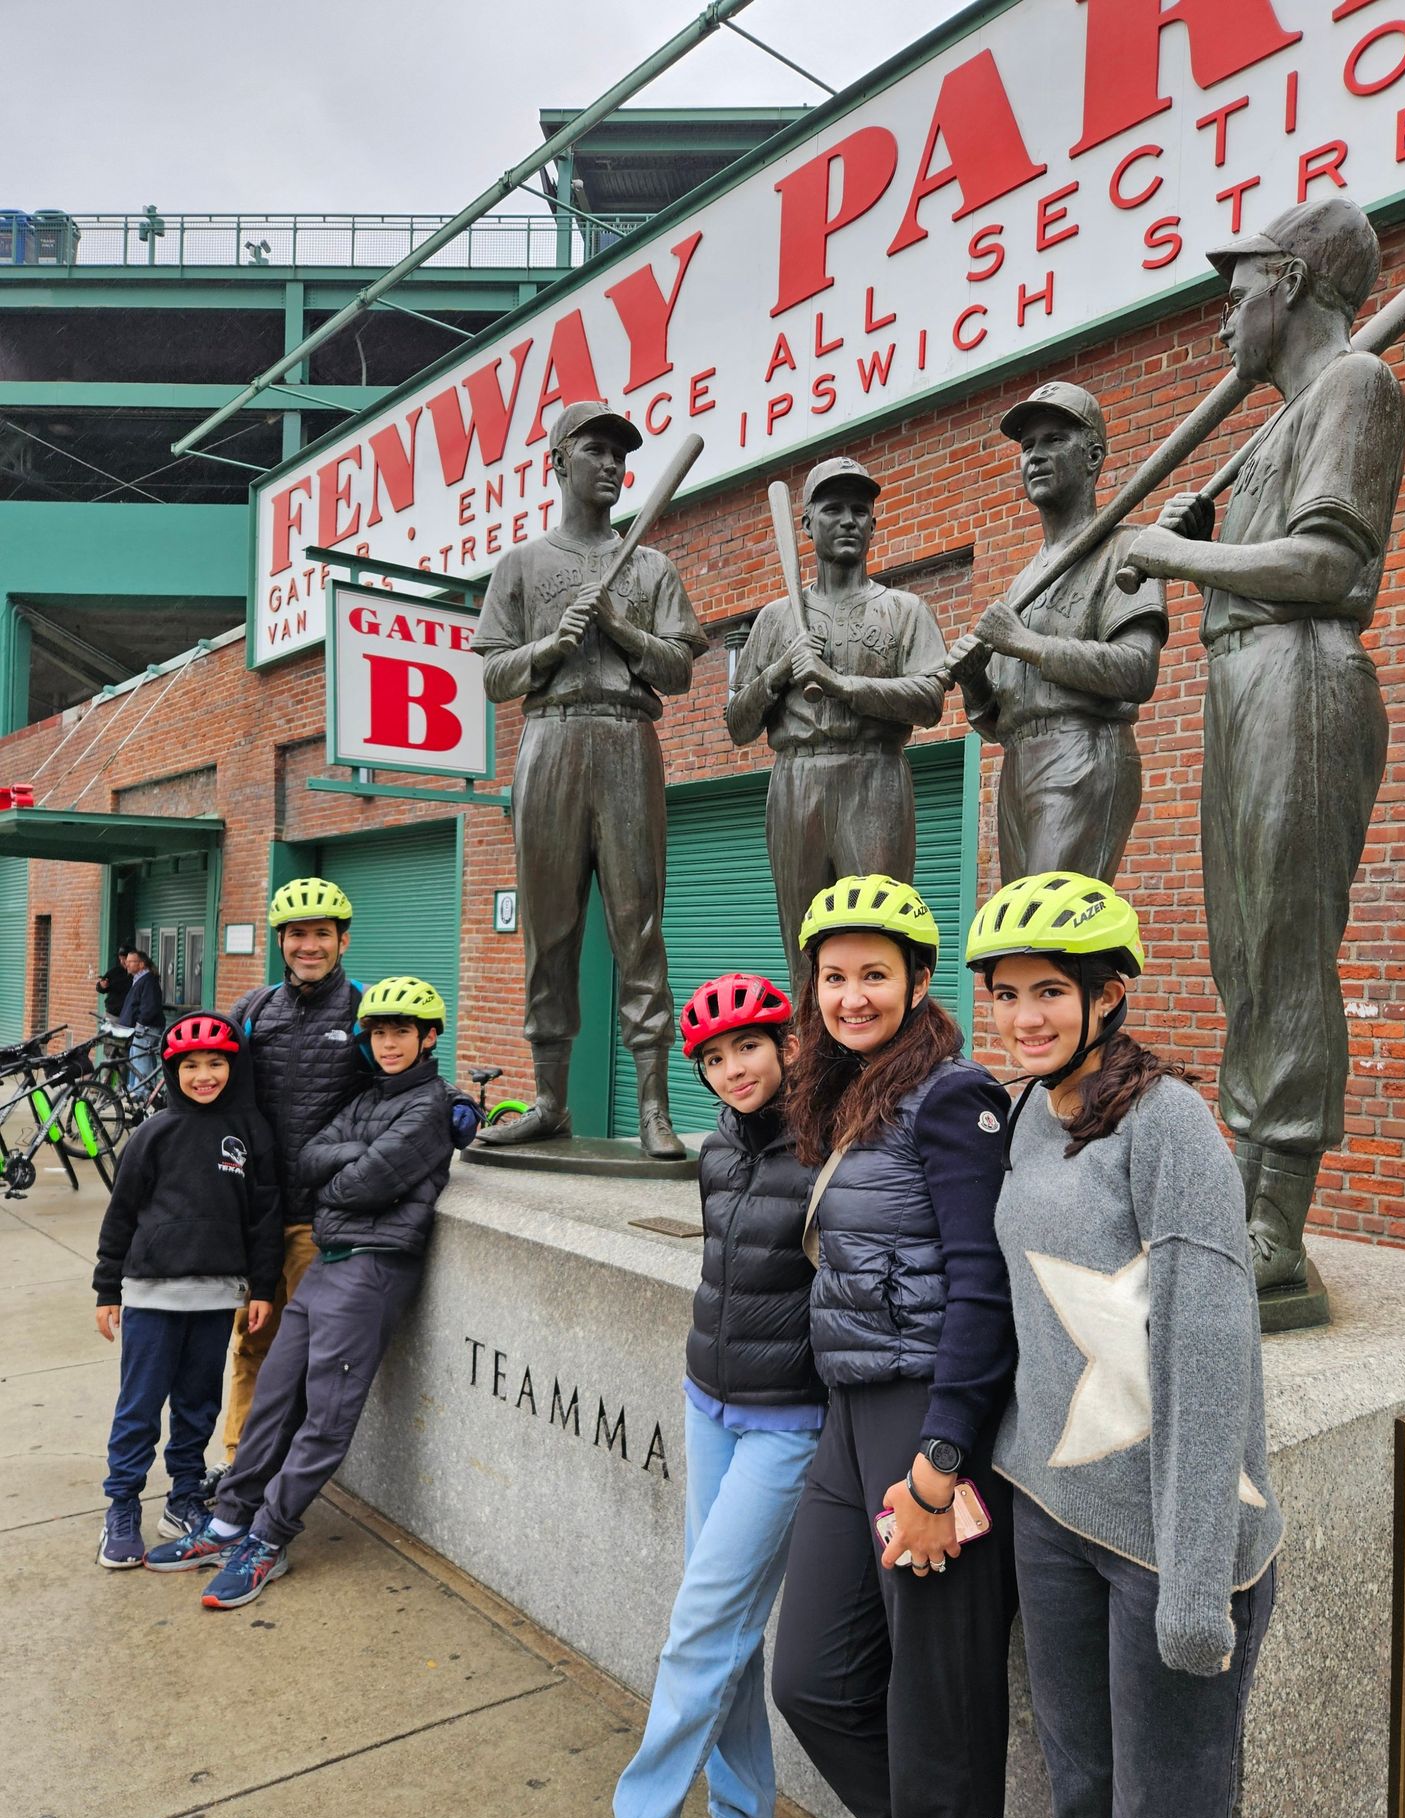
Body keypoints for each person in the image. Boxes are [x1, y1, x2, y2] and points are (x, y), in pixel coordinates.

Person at [965, 870, 1283, 1818]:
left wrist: (1194, 1589)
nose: (1023, 1016)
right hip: (1054, 1520)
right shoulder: (1027, 1114)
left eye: (1049, 990)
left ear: (1108, 994)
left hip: (1170, 1545)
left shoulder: (1170, 1126)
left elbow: (1205, 1349)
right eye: (1006, 993)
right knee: (1084, 1814)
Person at [1122, 197, 1405, 1303]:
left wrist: (1179, 563)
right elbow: (1277, 552)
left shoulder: (1355, 385)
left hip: (1304, 671)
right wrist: (1210, 540)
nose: (1221, 320)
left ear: (1288, 283)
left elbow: (1333, 566)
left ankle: (1278, 1223)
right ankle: (1245, 1195)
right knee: (1241, 947)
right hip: (1246, 678)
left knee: (1287, 944)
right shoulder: (1282, 422)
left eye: (1236, 293)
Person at [770, 875, 1016, 1818]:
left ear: (919, 981)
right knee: (813, 1680)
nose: (852, 996)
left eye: (875, 974)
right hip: (849, 1411)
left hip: (925, 1420)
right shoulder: (842, 1093)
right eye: (833, 977)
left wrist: (938, 1463)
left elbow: (983, 1287)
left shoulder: (952, 1096)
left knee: (942, 1706)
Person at [562, 972, 823, 1818]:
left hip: (788, 1425)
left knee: (701, 1629)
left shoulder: (830, 1148)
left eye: (749, 1046)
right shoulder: (717, 1154)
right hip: (709, 1402)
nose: (732, 1068)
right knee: (727, 1630)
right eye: (713, 1057)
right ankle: (746, 1814)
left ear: (791, 1045)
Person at [145, 976, 455, 1608]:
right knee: (276, 1393)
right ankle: (231, 1517)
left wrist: (344, 1173)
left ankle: (270, 1537)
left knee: (325, 1413)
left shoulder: (431, 1105)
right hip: (330, 1260)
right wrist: (352, 1163)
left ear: (428, 1038)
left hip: (373, 1267)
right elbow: (311, 1157)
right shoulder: (370, 1095)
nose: (389, 1042)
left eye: (403, 1032)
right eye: (379, 1032)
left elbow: (357, 1183)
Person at [471, 400, 707, 1159]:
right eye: (596, 450)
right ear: (559, 460)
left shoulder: (650, 567)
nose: (611, 464)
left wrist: (621, 626)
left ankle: (652, 1106)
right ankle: (549, 1100)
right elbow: (493, 676)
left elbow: (681, 666)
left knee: (639, 926)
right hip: (550, 737)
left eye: (620, 453)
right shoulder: (523, 565)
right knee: (550, 930)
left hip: (628, 736)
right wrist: (548, 644)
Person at [725, 457, 947, 985]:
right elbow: (737, 723)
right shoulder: (777, 619)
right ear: (806, 524)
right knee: (804, 941)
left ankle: (885, 1063)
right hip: (797, 778)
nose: (849, 520)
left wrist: (842, 684)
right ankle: (814, 1062)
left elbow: (929, 698)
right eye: (833, 509)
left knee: (876, 932)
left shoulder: (903, 609)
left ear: (873, 523)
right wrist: (781, 669)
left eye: (860, 510)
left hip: (875, 774)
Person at [950, 382, 1168, 884]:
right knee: (1019, 934)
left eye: (1053, 440)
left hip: (1084, 751)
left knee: (1051, 930)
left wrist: (1024, 642)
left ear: (1092, 456)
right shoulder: (1023, 580)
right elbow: (998, 721)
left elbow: (1138, 671)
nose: (1035, 456)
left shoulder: (1125, 550)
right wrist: (974, 681)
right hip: (1020, 762)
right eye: (1027, 447)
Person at [92, 1012, 282, 1568]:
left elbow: (265, 1218)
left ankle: (181, 1497)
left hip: (217, 1294)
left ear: (233, 1067)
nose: (204, 1075)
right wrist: (108, 1288)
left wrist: (263, 1287)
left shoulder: (250, 1132)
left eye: (216, 1064)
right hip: (152, 1295)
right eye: (191, 1065)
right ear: (173, 1071)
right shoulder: (154, 1133)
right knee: (141, 1404)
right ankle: (122, 1505)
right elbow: (121, 1214)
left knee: (199, 1404)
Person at [216, 876, 370, 1473]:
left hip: (320, 1220)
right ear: (281, 942)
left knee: (308, 1354)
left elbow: (403, 1074)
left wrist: (452, 1106)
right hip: (256, 1214)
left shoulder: (363, 1009)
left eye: (322, 935)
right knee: (251, 1343)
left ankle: (282, 1474)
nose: (310, 946)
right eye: (298, 935)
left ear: (343, 941)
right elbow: (207, 1087)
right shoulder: (253, 1010)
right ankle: (237, 1467)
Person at [118, 950, 164, 1094]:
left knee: (141, 1059)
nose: (127, 964)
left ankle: (143, 1093)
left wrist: (140, 1023)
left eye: (131, 961)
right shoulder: (138, 979)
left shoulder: (148, 981)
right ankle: (140, 1090)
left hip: (146, 1028)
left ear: (141, 964)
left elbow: (150, 1007)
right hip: (139, 1028)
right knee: (137, 1058)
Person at [96, 946, 132, 1020]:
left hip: (130, 1016)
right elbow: (100, 987)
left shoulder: (137, 974)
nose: (122, 962)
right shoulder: (115, 971)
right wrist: (102, 986)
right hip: (112, 1014)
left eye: (124, 959)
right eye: (120, 959)